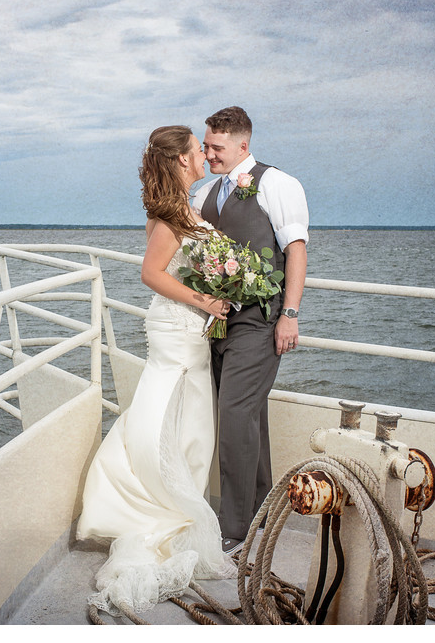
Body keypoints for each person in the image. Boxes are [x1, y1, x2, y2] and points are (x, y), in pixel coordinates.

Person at [77, 125, 236, 618]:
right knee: (164, 407)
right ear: (182, 160)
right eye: (197, 149)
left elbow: (183, 265)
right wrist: (204, 299)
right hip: (175, 327)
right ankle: (152, 499)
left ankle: (172, 489)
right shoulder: (168, 214)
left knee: (186, 418)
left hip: (188, 328)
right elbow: (151, 273)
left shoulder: (182, 207)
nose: (203, 154)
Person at [193, 106, 309, 554]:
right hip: (217, 323)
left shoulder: (278, 184)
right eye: (206, 146)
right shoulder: (204, 193)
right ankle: (261, 513)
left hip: (261, 321)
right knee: (249, 417)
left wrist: (290, 314)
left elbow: (294, 252)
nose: (209, 153)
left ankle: (235, 532)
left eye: (217, 147)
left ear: (243, 144)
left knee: (236, 417)